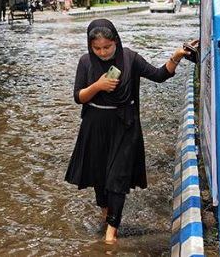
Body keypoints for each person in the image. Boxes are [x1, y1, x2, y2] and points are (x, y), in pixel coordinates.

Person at [64, 19, 198, 244]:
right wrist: (98, 86)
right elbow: (78, 97)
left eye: (107, 47)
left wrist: (176, 56)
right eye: (97, 48)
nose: (103, 52)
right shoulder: (85, 62)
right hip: (95, 127)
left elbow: (159, 75)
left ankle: (111, 233)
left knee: (117, 179)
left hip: (125, 126)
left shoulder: (130, 58)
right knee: (100, 178)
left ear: (116, 40)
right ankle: (106, 216)